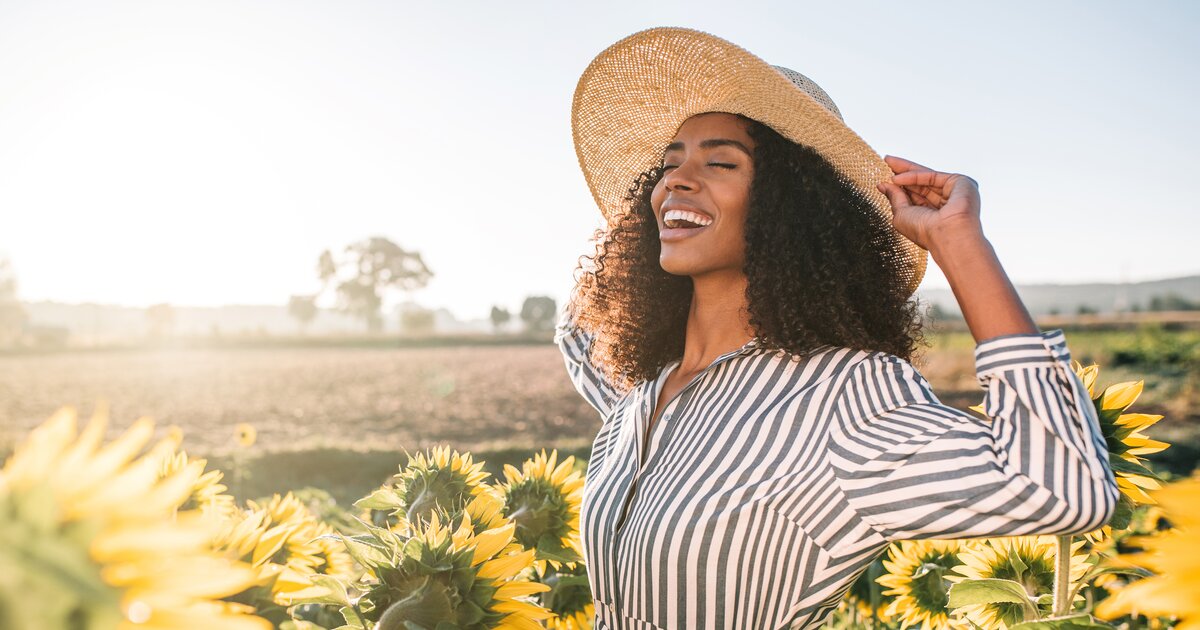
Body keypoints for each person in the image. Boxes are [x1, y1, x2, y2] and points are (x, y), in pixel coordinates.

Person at [556, 27, 1118, 629]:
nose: (677, 180)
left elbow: (1067, 486)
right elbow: (578, 329)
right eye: (668, 165)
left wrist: (959, 243)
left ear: (792, 207)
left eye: (720, 161)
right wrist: (620, 258)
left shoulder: (843, 398)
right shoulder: (637, 386)